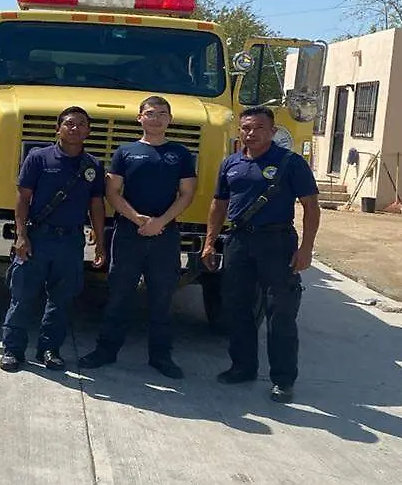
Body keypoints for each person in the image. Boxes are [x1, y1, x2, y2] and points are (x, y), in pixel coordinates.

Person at [201, 105, 320, 403]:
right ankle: (242, 367)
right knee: (237, 308)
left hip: (277, 243)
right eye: (245, 128)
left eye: (257, 128)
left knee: (280, 312)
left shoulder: (290, 163)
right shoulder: (231, 163)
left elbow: (311, 207)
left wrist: (306, 249)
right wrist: (210, 241)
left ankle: (283, 380)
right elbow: (219, 204)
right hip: (239, 242)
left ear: (272, 131)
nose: (250, 133)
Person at [78, 96, 197, 379]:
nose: (155, 119)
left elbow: (187, 194)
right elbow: (112, 192)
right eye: (150, 113)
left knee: (162, 297)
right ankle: (106, 350)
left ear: (170, 119)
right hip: (128, 232)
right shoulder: (125, 152)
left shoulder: (180, 154)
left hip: (165, 235)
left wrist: (160, 222)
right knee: (119, 294)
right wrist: (138, 219)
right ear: (139, 118)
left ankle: (161, 356)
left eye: (161, 114)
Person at [1, 106, 106, 373]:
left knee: (61, 299)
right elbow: (23, 199)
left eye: (82, 124)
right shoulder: (38, 158)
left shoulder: (92, 165)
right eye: (69, 123)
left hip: (71, 242)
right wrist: (21, 236)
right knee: (23, 296)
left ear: (88, 131)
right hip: (38, 238)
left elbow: (96, 205)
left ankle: (49, 349)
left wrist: (100, 242)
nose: (75, 128)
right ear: (58, 128)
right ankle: (13, 350)